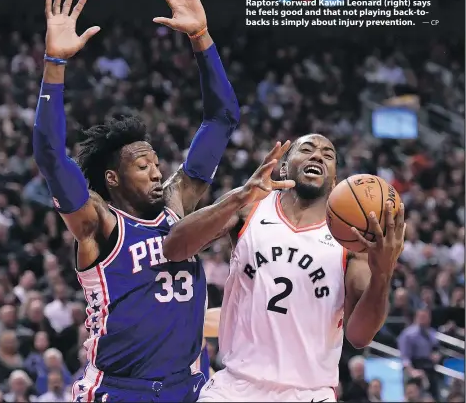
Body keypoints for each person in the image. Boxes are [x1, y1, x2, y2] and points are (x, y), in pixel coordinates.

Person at [33, 0, 239, 403]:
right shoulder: (97, 224)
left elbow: (222, 119)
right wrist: (54, 65)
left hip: (188, 387)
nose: (156, 171)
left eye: (156, 162)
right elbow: (51, 156)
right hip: (120, 390)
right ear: (113, 178)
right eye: (141, 165)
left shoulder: (177, 202)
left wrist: (201, 37)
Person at [163, 135, 406, 402]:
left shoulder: (351, 242)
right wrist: (238, 196)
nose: (317, 156)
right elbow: (174, 247)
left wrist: (382, 274)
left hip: (308, 393)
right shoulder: (250, 207)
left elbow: (360, 336)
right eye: (307, 149)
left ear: (335, 180)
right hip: (235, 385)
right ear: (283, 168)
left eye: (328, 155)